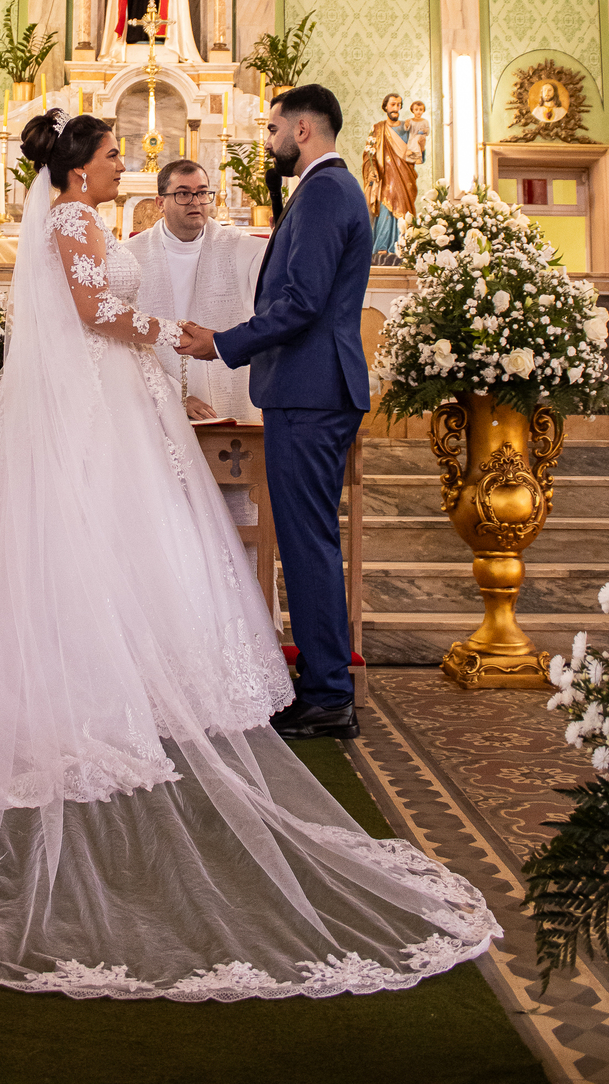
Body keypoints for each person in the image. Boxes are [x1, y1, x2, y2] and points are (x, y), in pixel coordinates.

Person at [0, 109, 495, 997]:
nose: (121, 163)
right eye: (110, 155)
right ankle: (78, 690)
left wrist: (183, 337)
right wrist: (177, 334)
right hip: (90, 403)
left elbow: (104, 304)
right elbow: (96, 311)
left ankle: (138, 676)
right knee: (83, 535)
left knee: (127, 541)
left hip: (118, 400)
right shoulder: (67, 219)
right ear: (78, 169)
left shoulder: (93, 219)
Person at [179, 85, 373, 743]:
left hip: (311, 391)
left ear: (303, 128)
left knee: (307, 540)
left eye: (272, 130)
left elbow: (303, 301)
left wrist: (223, 343)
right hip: (312, 389)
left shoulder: (324, 193)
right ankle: (323, 689)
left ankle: (326, 694)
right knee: (305, 538)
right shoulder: (329, 190)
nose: (268, 142)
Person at [131, 158, 262, 422]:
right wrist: (173, 394)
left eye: (202, 193)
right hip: (154, 397)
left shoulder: (244, 250)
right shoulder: (131, 257)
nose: (196, 202)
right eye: (183, 194)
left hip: (225, 393)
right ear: (160, 203)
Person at [362, 93, 419, 263]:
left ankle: (402, 246)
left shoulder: (406, 128)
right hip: (384, 178)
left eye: (399, 105)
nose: (396, 108)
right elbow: (368, 154)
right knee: (385, 209)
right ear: (385, 106)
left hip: (404, 177)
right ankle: (382, 247)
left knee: (403, 211)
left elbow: (415, 151)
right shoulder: (378, 128)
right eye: (393, 104)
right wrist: (370, 170)